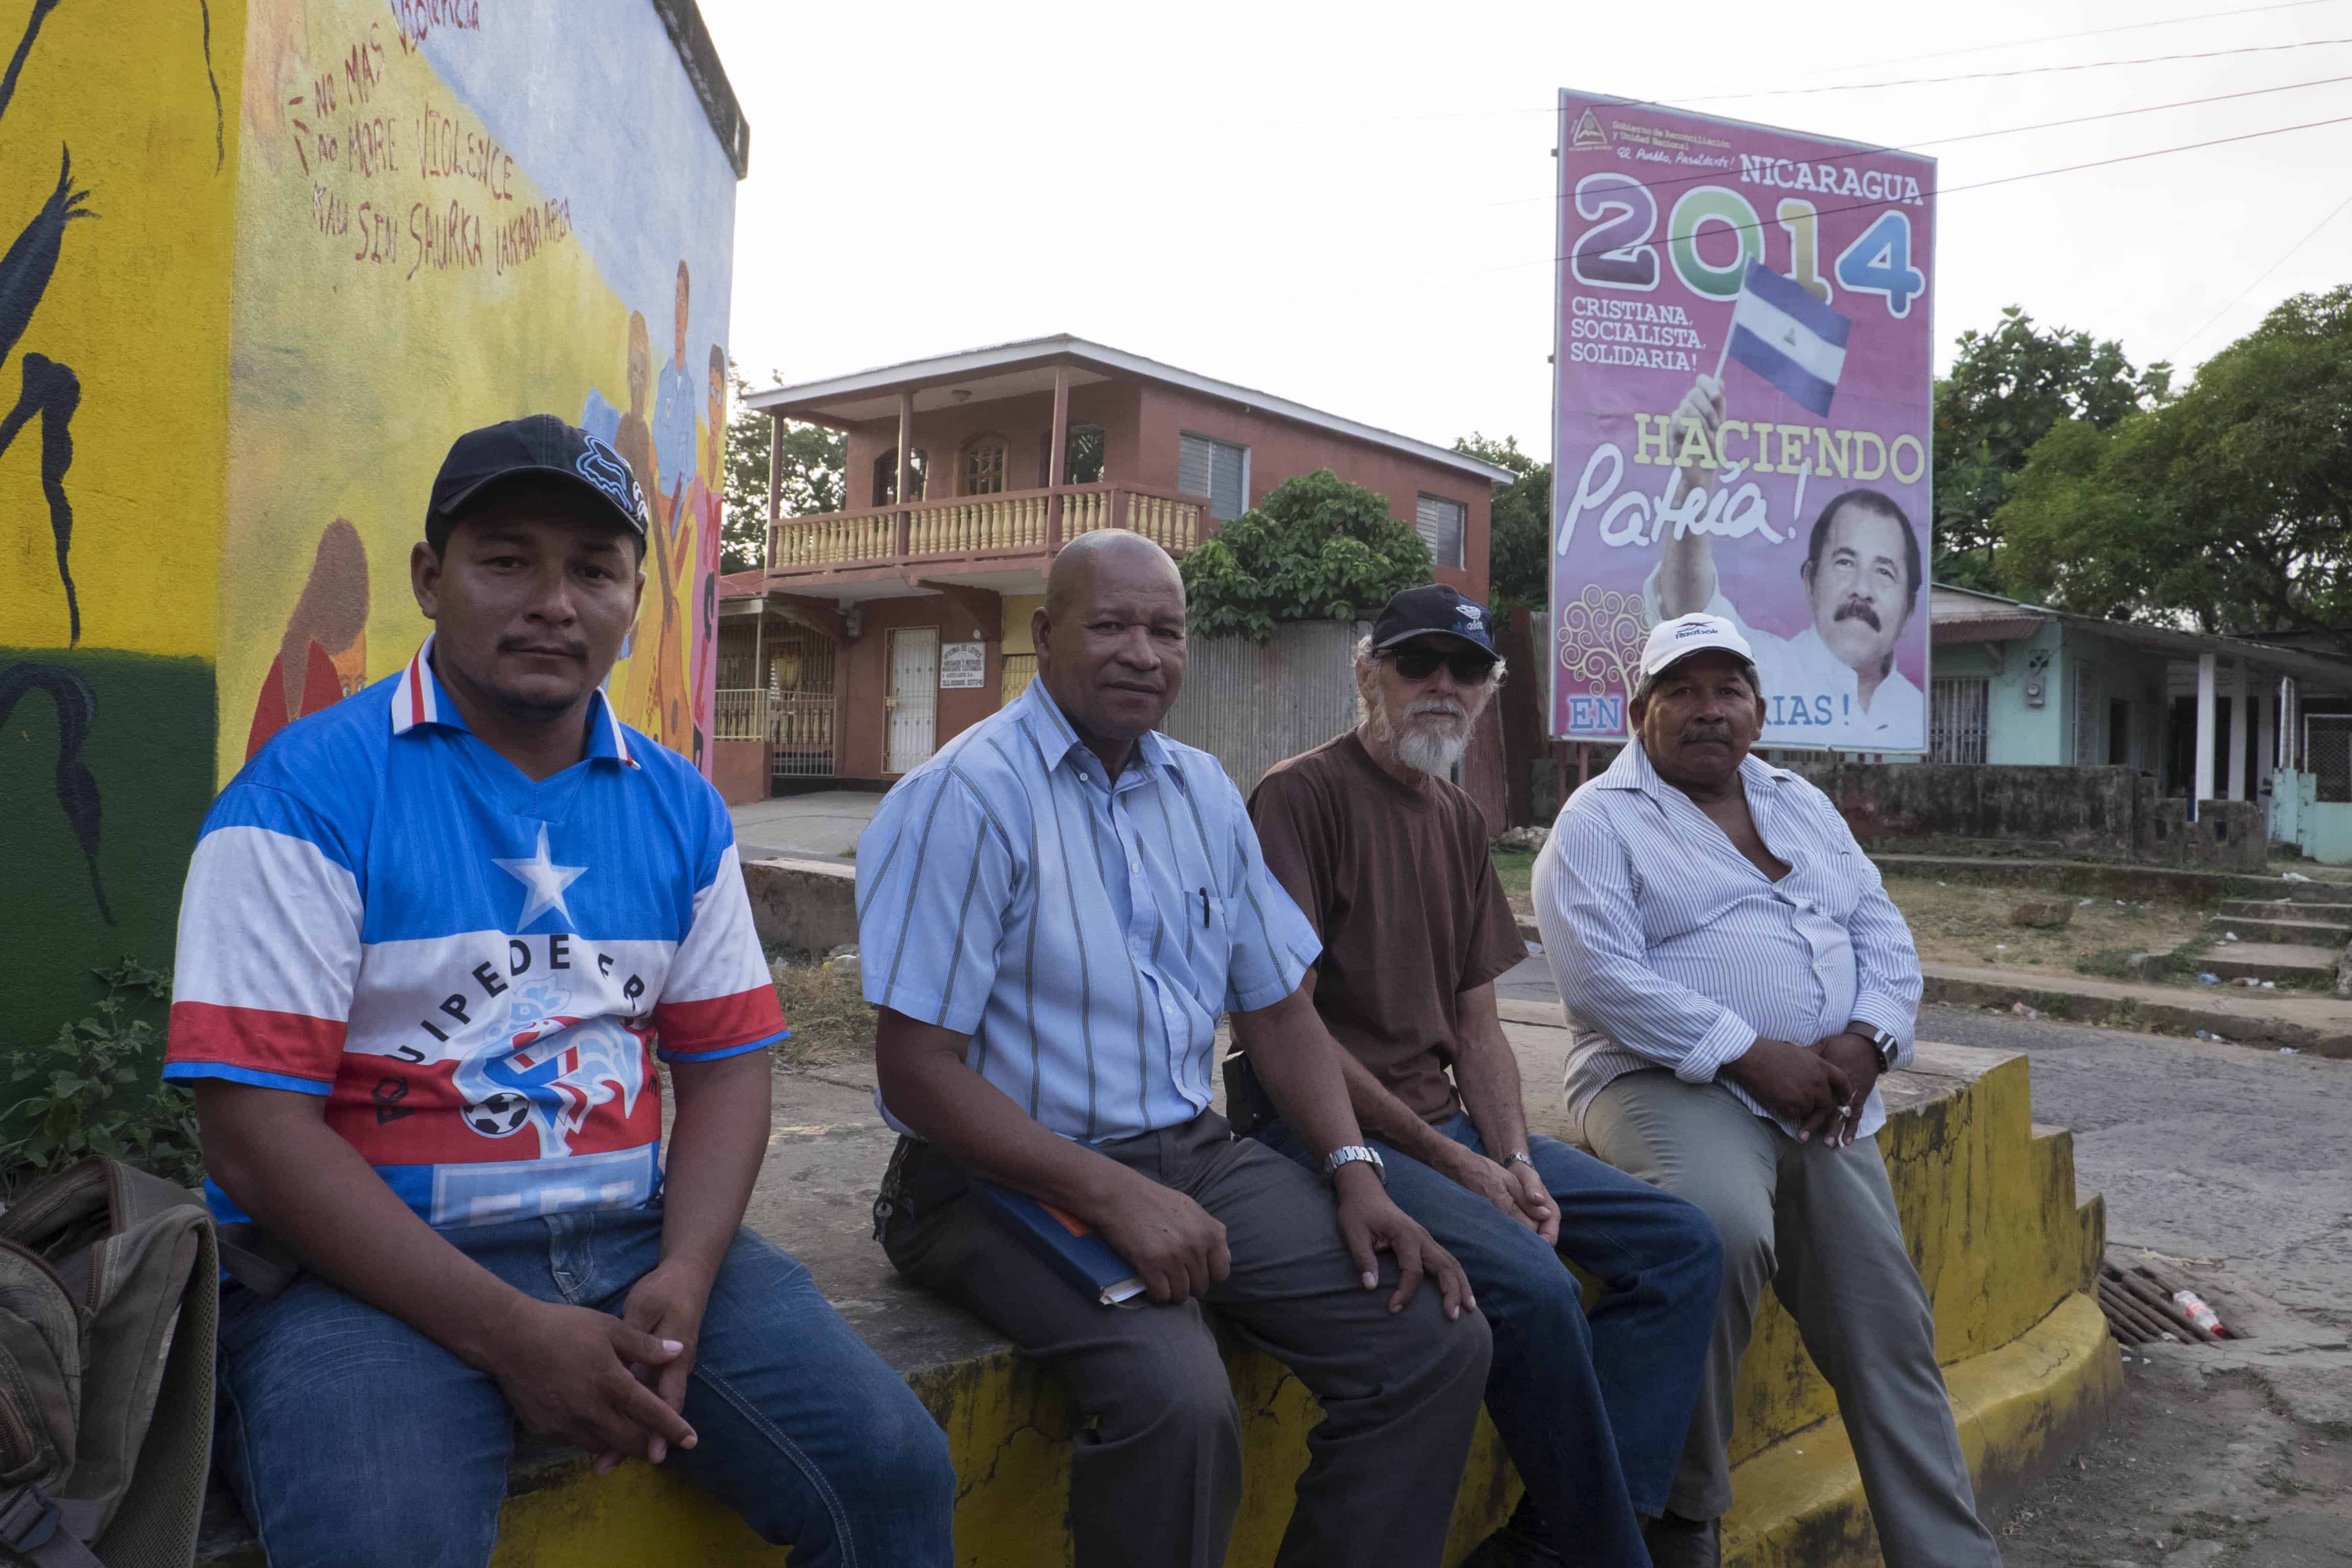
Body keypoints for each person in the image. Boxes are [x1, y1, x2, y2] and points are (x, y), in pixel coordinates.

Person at [164, 415, 955, 1568]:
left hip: (634, 1237)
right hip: (354, 1271)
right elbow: (250, 1132)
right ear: (431, 579)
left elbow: (728, 1065)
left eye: (594, 568)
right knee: (387, 1539)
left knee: (893, 1468)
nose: (554, 600)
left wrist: (686, 1270)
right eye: (507, 559)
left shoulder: (678, 806)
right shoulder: (304, 797)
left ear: (636, 595)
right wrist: (509, 1333)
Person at [861, 530, 1493, 1568]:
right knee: (1179, 1399)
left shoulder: (1201, 789)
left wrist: (1354, 1170)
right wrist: (1110, 1195)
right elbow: (915, 1070)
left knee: (1429, 1335)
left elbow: (1280, 1011)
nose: (1141, 653)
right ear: (1045, 632)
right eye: (1110, 624)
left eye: (1166, 629)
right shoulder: (967, 793)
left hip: (1188, 1150)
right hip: (992, 1175)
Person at [1239, 584, 1722, 1568]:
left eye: (1466, 671)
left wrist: (1513, 1159)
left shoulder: (1459, 818)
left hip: (1445, 1131)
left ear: (1489, 691)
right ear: (1366, 673)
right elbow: (1287, 1025)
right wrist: (1463, 1171)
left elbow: (1475, 1021)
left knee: (1680, 1245)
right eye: (1419, 665)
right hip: (1319, 1131)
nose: (1442, 688)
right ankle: (1608, 1553)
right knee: (1534, 1287)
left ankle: (1563, 1536)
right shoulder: (1299, 796)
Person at [1533, 612, 2004, 1568]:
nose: (1708, 711)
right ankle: (1684, 1514)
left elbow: (1881, 931)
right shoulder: (1597, 821)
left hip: (1827, 1095)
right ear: (1640, 710)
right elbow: (1601, 982)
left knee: (1886, 1323)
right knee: (1717, 1233)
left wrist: (1869, 1040)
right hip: (1661, 1080)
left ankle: (1949, 1556)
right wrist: (1751, 1052)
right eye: (1683, 692)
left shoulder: (1800, 802)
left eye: (1728, 690)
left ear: (1757, 708)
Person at [1650, 373, 1923, 747]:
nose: (1863, 589)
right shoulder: (1760, 667)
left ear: (1909, 610)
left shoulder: (1914, 710)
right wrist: (1696, 483)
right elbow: (1690, 612)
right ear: (1810, 581)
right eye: (1845, 562)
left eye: (1884, 571)